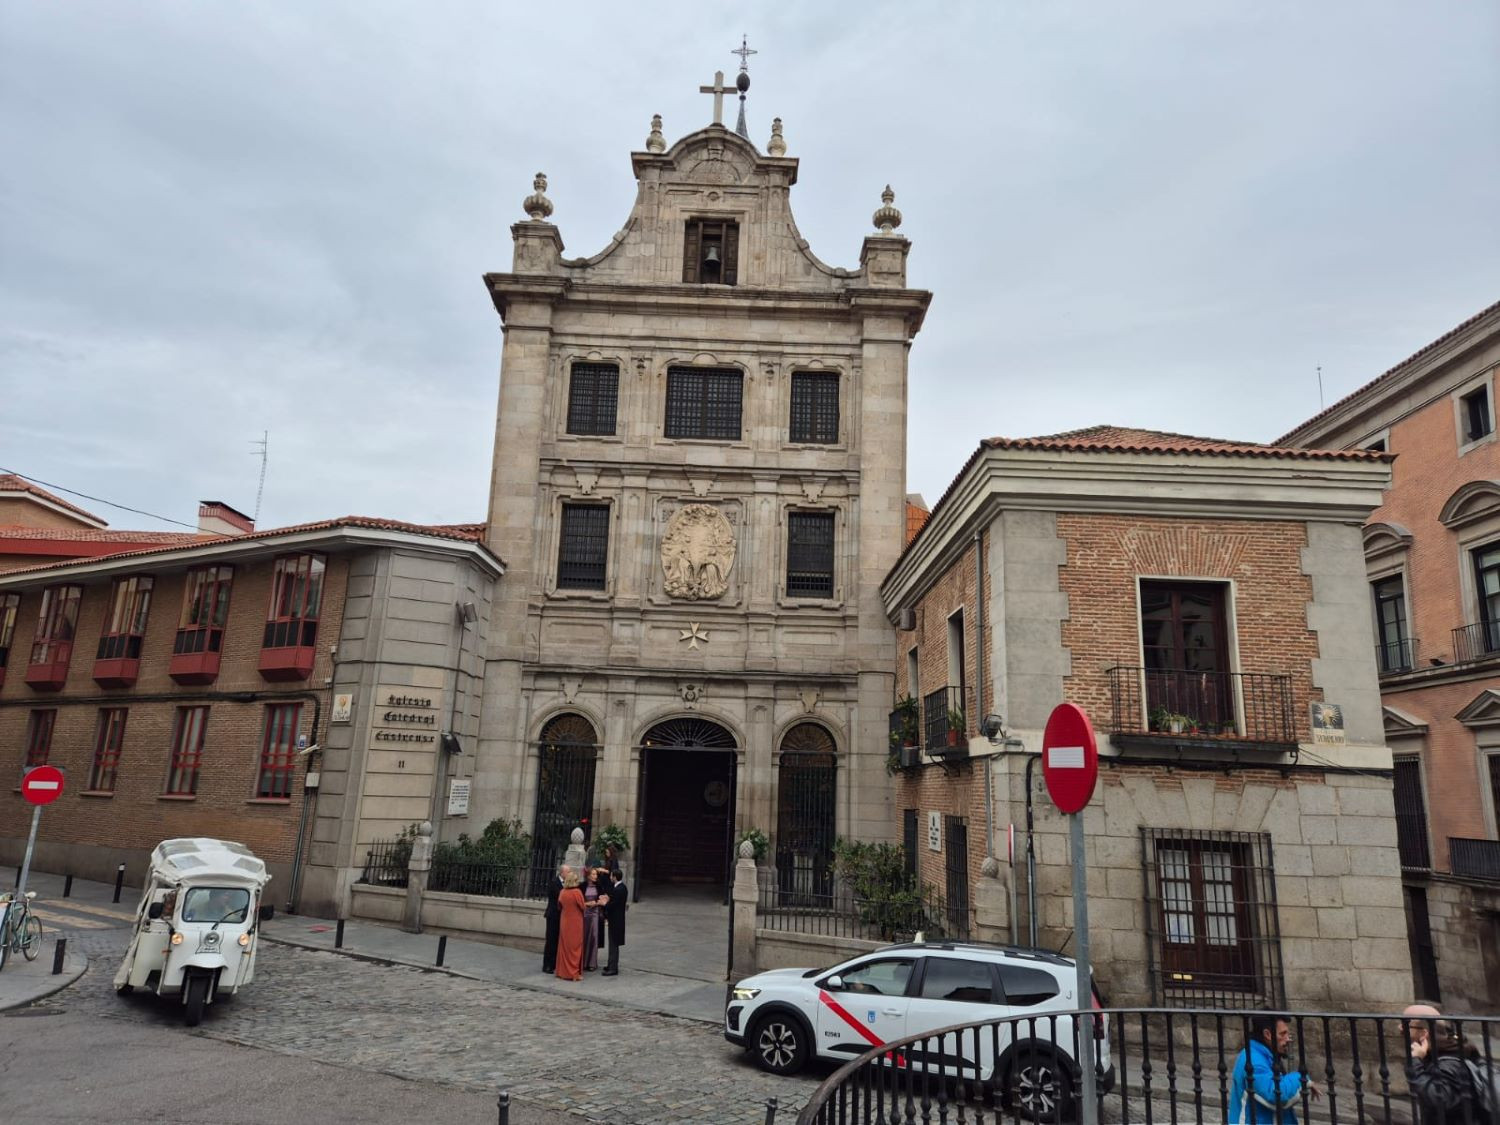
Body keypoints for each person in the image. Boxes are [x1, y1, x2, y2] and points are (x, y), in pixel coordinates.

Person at [1230, 1013, 1320, 1124]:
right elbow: (1276, 1095)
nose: (1288, 1039)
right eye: (1283, 1034)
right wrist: (1301, 1078)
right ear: (1268, 1034)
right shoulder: (1254, 1061)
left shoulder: (1265, 1055)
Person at [1408, 1018, 1486, 1125]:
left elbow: (1437, 1098)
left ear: (1424, 1033)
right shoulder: (1438, 1055)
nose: (1400, 1028)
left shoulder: (1448, 1063)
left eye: (1407, 1025)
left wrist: (1414, 1062)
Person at [554, 870, 586, 982]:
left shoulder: (562, 892)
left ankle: (562, 972)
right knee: (575, 948)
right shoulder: (577, 892)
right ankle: (573, 973)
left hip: (564, 921)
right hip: (575, 922)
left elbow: (559, 906)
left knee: (564, 947)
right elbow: (583, 906)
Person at [541, 863, 569, 974]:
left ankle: (555, 963)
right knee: (551, 940)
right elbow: (559, 897)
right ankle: (547, 965)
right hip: (553, 916)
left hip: (562, 916)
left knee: (558, 940)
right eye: (568, 871)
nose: (570, 873)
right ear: (562, 872)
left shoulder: (567, 883)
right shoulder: (554, 882)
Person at [602, 867, 629, 976]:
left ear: (615, 877)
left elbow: (614, 905)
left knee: (613, 944)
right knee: (612, 944)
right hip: (616, 920)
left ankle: (613, 968)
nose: (610, 877)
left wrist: (605, 903)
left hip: (616, 920)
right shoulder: (620, 887)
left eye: (611, 876)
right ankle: (610, 964)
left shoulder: (619, 889)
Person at [581, 865, 607, 972]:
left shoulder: (599, 886)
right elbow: (577, 900)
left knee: (594, 937)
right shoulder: (582, 886)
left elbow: (604, 898)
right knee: (584, 937)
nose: (595, 876)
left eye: (596, 874)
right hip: (584, 914)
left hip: (595, 914)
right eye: (593, 874)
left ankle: (592, 963)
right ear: (588, 875)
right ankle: (582, 962)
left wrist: (598, 902)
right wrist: (586, 903)